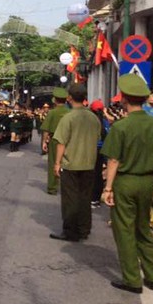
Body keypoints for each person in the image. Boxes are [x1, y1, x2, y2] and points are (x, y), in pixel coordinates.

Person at [101, 74, 153, 294]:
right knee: (143, 229)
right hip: (147, 182)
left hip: (126, 182)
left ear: (124, 100)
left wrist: (108, 188)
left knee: (124, 230)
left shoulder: (121, 127)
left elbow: (113, 160)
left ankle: (132, 279)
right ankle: (152, 277)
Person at [49, 83, 101, 242]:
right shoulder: (93, 117)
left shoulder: (69, 118)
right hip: (89, 164)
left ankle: (70, 231)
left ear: (69, 98)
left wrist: (57, 163)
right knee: (85, 198)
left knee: (70, 199)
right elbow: (98, 138)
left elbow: (61, 143)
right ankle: (84, 229)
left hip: (71, 164)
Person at [40, 88, 70, 195]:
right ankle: (67, 187)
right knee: (67, 163)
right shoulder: (70, 112)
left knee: (53, 162)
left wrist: (44, 142)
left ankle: (52, 188)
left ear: (55, 100)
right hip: (68, 141)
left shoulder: (52, 113)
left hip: (55, 140)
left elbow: (46, 129)